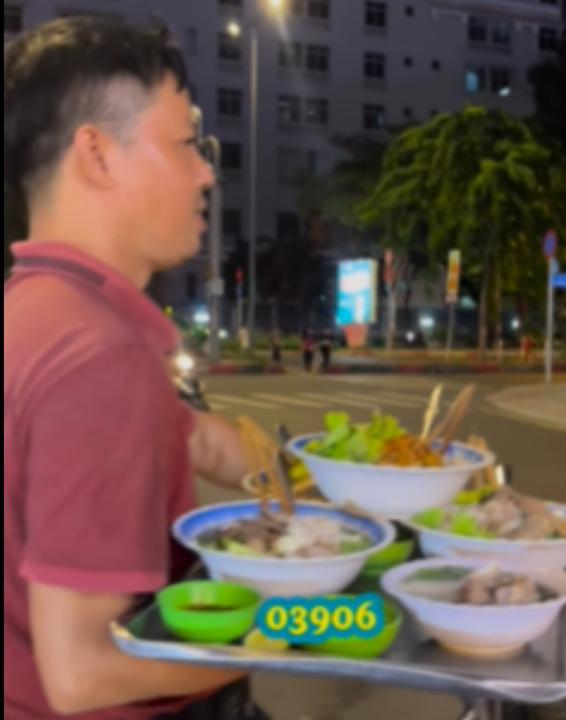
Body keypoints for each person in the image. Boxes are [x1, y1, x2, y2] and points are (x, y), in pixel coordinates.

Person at [4, 17, 271, 718]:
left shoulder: (33, 312)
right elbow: (84, 672)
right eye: (185, 144)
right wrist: (295, 629)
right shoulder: (98, 357)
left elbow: (194, 438)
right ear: (96, 154)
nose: (206, 171)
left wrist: (320, 481)